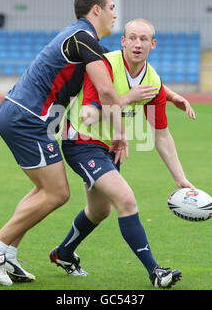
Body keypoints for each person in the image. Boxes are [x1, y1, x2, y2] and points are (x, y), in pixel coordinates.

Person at [0, 0, 157, 286]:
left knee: (42, 191)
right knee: (57, 193)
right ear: (95, 10)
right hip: (28, 118)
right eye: (111, 7)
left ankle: (6, 251)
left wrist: (170, 96)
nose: (115, 13)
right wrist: (121, 134)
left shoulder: (80, 36)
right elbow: (107, 91)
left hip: (26, 116)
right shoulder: (84, 38)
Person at [49, 19, 195, 288]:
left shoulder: (152, 81)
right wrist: (128, 97)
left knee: (99, 211)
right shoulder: (105, 65)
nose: (137, 44)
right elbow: (88, 115)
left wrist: (180, 179)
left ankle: (64, 253)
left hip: (109, 149)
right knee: (126, 200)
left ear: (153, 44)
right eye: (132, 38)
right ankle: (156, 272)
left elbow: (161, 135)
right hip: (81, 141)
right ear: (123, 41)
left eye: (143, 39)